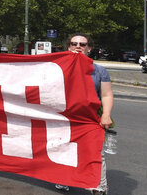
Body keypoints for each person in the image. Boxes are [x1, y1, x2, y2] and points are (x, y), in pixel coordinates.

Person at [55, 33, 113, 195]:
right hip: (64, 119)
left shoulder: (99, 71)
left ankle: (98, 188)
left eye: (82, 44)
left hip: (91, 119)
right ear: (69, 47)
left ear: (89, 48)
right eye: (74, 43)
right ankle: (64, 178)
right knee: (63, 149)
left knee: (95, 153)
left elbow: (107, 95)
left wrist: (106, 114)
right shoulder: (58, 68)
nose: (78, 46)